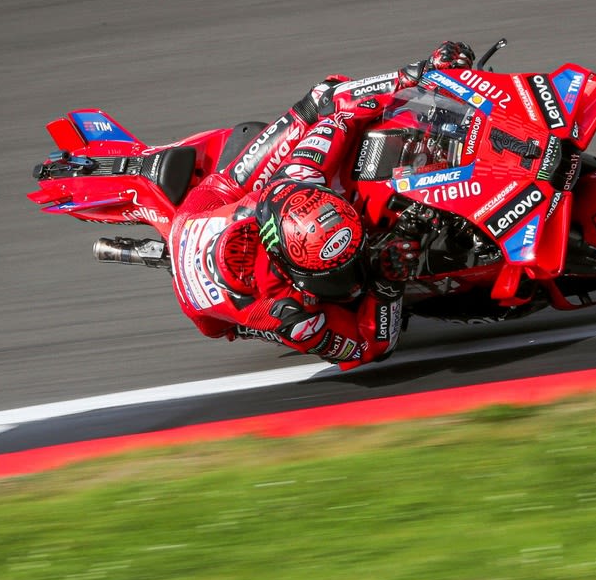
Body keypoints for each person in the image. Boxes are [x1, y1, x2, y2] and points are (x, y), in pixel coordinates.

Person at [167, 41, 476, 369]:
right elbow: (369, 347)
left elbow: (341, 109)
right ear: (298, 277)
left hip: (219, 202)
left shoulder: (299, 175)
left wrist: (419, 74)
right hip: (205, 277)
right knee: (225, 327)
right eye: (341, 268)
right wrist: (386, 283)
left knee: (321, 97)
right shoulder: (290, 314)